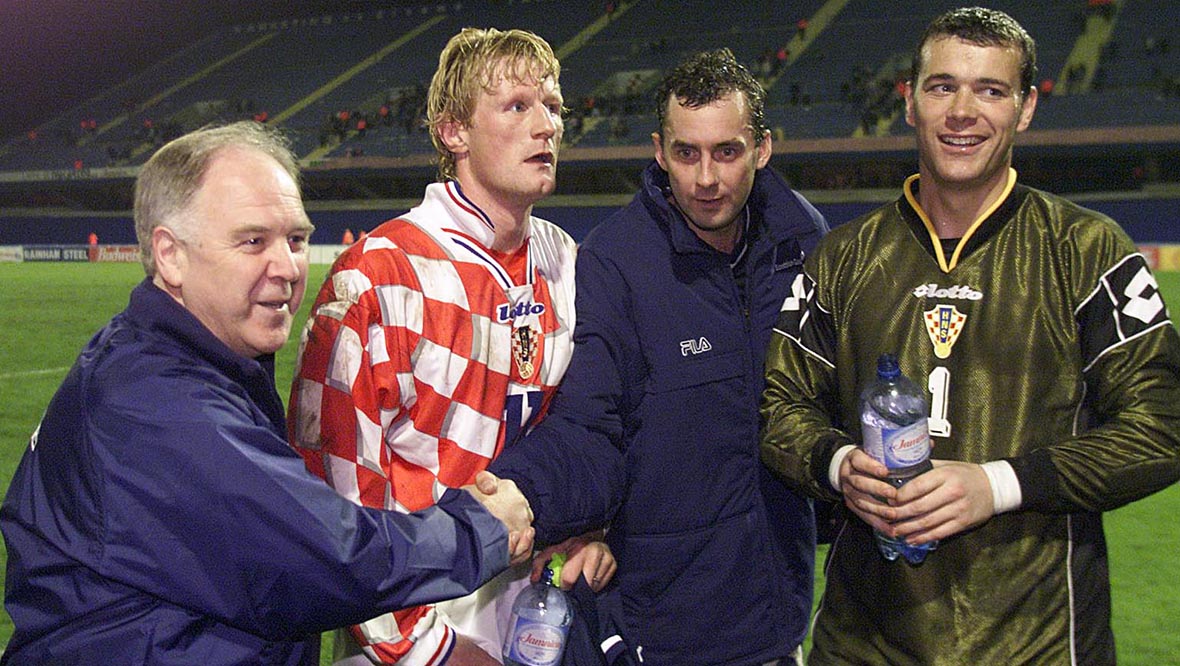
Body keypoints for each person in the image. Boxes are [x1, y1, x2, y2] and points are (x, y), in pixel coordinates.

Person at [0, 121, 535, 664]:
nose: (288, 267)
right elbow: (323, 560)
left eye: (296, 239)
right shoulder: (158, 404)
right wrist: (480, 530)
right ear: (170, 255)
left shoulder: (185, 359)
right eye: (253, 241)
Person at [760, 7, 1180, 663]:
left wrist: (999, 484)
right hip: (864, 645)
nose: (963, 111)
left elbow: (1160, 426)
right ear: (910, 103)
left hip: (1037, 643)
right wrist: (839, 466)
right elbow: (779, 409)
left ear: (1026, 108)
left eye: (990, 90)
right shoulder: (841, 259)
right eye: (942, 86)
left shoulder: (1089, 251)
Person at [489, 48, 828, 665]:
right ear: (658, 150)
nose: (705, 179)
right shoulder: (617, 260)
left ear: (762, 149)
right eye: (685, 153)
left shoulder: (802, 239)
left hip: (780, 612)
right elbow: (592, 423)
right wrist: (527, 493)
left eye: (726, 152)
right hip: (665, 621)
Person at [288, 28, 615, 666]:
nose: (546, 126)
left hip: (539, 614)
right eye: (518, 106)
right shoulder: (380, 274)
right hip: (412, 623)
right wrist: (427, 650)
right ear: (452, 132)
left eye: (553, 106)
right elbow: (333, 494)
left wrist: (586, 529)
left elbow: (587, 428)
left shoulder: (565, 262)